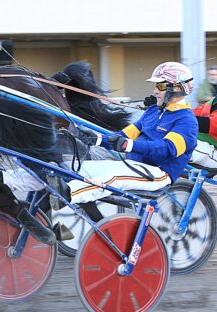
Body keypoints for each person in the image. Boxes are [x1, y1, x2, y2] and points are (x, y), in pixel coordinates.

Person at [46, 62, 198, 216]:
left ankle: (67, 194)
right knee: (78, 167)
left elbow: (166, 150)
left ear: (177, 88)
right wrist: (96, 139)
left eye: (160, 86)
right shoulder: (153, 111)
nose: (155, 91)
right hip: (133, 165)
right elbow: (124, 136)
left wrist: (129, 145)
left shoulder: (187, 120)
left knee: (112, 178)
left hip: (158, 173)